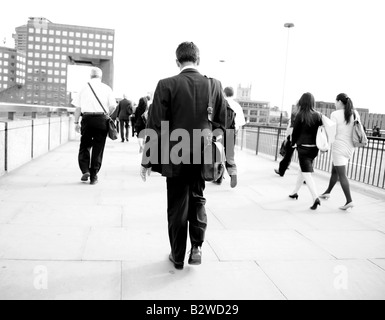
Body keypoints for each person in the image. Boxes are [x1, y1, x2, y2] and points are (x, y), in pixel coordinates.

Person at [140, 42, 227, 270]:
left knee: (176, 204)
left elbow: (156, 124)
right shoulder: (214, 85)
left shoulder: (166, 84)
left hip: (175, 153)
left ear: (177, 61)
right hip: (203, 152)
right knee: (198, 197)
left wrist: (147, 161)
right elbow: (223, 122)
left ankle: (177, 256)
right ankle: (196, 247)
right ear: (198, 60)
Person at [72, 67, 116, 185]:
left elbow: (77, 108)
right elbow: (112, 106)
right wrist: (106, 114)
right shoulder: (107, 88)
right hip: (101, 120)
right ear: (100, 76)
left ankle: (85, 170)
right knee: (98, 148)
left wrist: (76, 123)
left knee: (85, 145)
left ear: (90, 76)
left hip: (87, 119)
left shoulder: (83, 88)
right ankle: (94, 175)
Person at [320, 94, 359, 210]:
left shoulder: (335, 114)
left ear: (340, 102)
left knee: (342, 175)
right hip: (350, 147)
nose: (334, 104)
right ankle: (327, 192)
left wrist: (325, 146)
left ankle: (349, 201)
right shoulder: (355, 113)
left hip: (338, 147)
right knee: (335, 171)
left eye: (335, 102)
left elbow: (332, 133)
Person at [289, 92, 323, 210]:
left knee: (306, 174)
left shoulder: (300, 115)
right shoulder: (318, 115)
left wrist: (293, 143)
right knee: (302, 170)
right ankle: (294, 192)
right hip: (314, 148)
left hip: (303, 147)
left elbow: (295, 132)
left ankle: (315, 198)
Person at [213, 86, 245, 188]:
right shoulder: (237, 105)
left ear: (224, 93)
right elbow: (240, 123)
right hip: (231, 132)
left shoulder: (220, 103)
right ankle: (233, 173)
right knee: (230, 156)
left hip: (219, 131)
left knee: (219, 154)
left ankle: (218, 177)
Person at [275, 111, 297, 177]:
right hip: (299, 140)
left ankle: (281, 170)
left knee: (287, 156)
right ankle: (305, 177)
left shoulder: (293, 120)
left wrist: (286, 139)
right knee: (303, 159)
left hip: (291, 140)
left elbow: (290, 131)